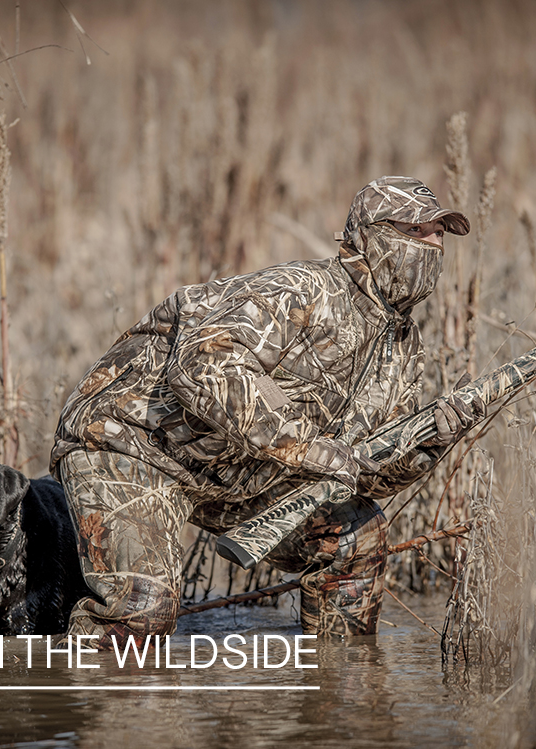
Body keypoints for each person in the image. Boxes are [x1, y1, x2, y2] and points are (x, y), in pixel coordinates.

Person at [50, 176, 478, 646]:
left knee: (357, 536)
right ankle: (78, 701)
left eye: (440, 235)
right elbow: (204, 364)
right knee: (140, 610)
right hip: (131, 445)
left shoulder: (403, 348)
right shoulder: (301, 291)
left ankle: (341, 701)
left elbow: (364, 473)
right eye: (416, 233)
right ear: (369, 236)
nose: (432, 245)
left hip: (238, 478)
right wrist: (307, 446)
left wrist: (431, 440)